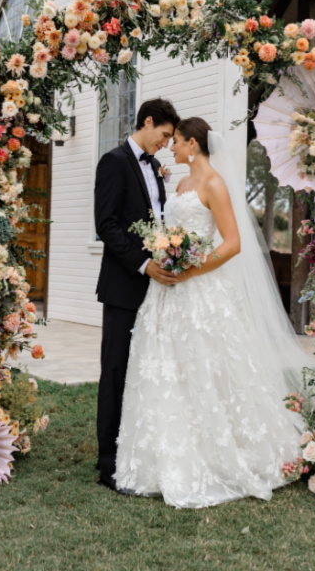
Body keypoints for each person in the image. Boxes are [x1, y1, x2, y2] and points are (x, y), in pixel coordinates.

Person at [115, 117, 313, 508]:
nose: (171, 147)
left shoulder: (214, 184)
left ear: (193, 144)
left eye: (177, 142)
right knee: (167, 367)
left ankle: (224, 455)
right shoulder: (182, 183)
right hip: (166, 291)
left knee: (207, 366)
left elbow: (233, 243)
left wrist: (190, 268)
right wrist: (164, 252)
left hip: (200, 288)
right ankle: (163, 457)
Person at [94, 97, 180, 490]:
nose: (165, 143)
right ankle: (108, 462)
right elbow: (107, 225)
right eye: (163, 135)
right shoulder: (113, 162)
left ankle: (135, 451)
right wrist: (144, 264)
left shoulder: (155, 169)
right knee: (115, 370)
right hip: (125, 283)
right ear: (147, 122)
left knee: (144, 369)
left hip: (156, 286)